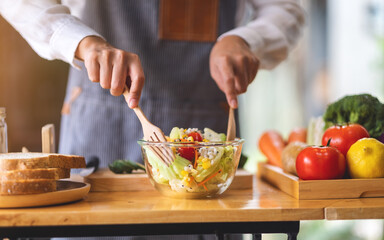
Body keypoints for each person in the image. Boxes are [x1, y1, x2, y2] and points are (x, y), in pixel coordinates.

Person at [0, 0, 304, 239]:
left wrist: (245, 38)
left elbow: (286, 9)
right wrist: (82, 41)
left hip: (209, 140)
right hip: (97, 120)